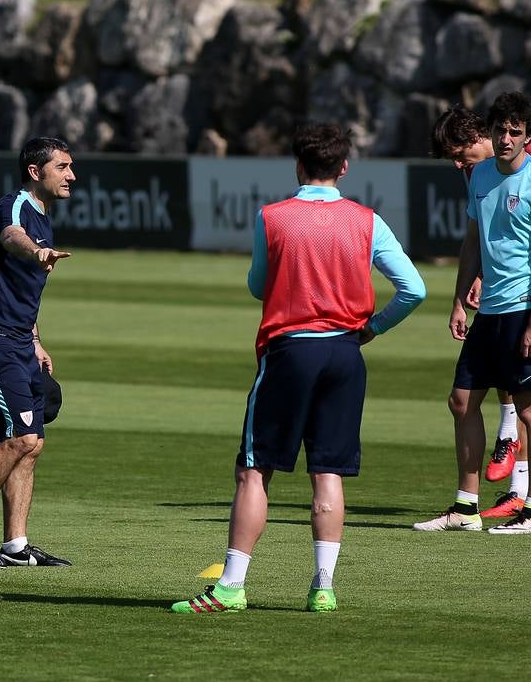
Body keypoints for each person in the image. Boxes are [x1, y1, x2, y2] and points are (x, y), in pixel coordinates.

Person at [172, 124, 424, 614]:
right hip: (345, 353)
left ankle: (231, 586)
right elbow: (413, 288)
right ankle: (323, 587)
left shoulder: (274, 217)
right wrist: (372, 328)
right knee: (327, 470)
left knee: (254, 469)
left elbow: (257, 286)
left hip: (292, 349)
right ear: (344, 167)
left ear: (298, 165)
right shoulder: (366, 220)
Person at [429, 100, 531, 518]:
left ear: (476, 137)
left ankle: (519, 470)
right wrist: (473, 284)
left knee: (524, 391)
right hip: (500, 290)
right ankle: (506, 494)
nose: (456, 164)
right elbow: (488, 236)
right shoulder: (482, 172)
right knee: (473, 393)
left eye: (457, 154)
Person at [0, 137, 75, 569]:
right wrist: (37, 250)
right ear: (36, 171)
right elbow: (11, 238)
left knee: (34, 443)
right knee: (18, 438)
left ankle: (16, 544)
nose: (71, 176)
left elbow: (22, 289)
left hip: (20, 339)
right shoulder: (15, 208)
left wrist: (36, 339)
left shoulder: (43, 214)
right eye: (62, 167)